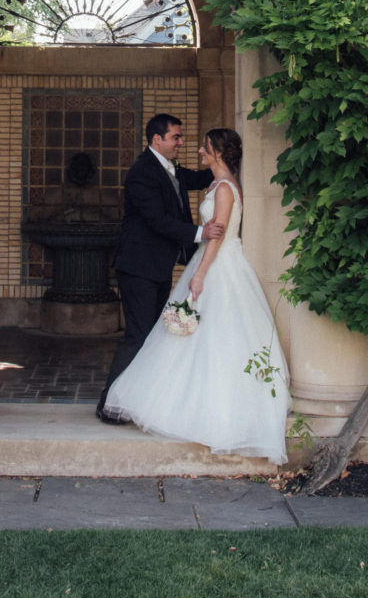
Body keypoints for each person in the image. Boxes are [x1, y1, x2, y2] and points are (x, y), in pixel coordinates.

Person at [102, 127, 290, 464]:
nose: (198, 150)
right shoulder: (216, 184)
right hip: (207, 262)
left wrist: (200, 274)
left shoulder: (225, 188)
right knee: (190, 337)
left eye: (205, 146)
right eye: (179, 139)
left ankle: (216, 411)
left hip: (218, 266)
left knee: (215, 338)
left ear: (218, 152)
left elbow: (217, 236)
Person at [96, 113, 219, 424]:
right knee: (137, 336)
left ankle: (136, 401)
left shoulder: (168, 167)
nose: (181, 142)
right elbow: (157, 220)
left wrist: (224, 162)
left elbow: (196, 179)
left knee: (151, 336)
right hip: (138, 268)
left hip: (157, 268)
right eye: (176, 137)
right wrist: (200, 233)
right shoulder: (141, 173)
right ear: (157, 139)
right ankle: (108, 405)